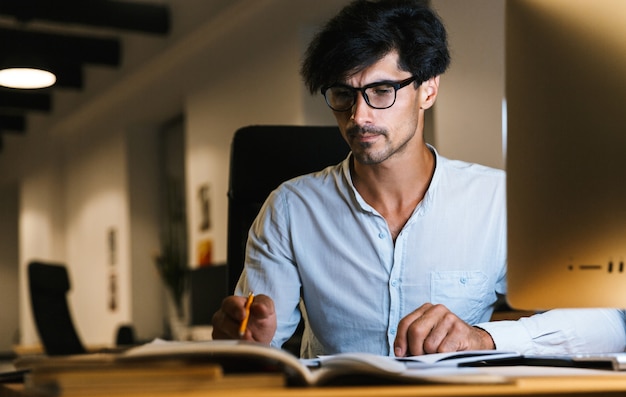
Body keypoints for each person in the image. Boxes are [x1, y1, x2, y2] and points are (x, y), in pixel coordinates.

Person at [212, 0, 626, 358]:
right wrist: (241, 342)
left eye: (381, 90)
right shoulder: (289, 209)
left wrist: (482, 338)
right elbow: (255, 341)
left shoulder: (497, 201)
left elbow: (607, 323)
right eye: (343, 94)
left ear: (427, 89)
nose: (359, 116)